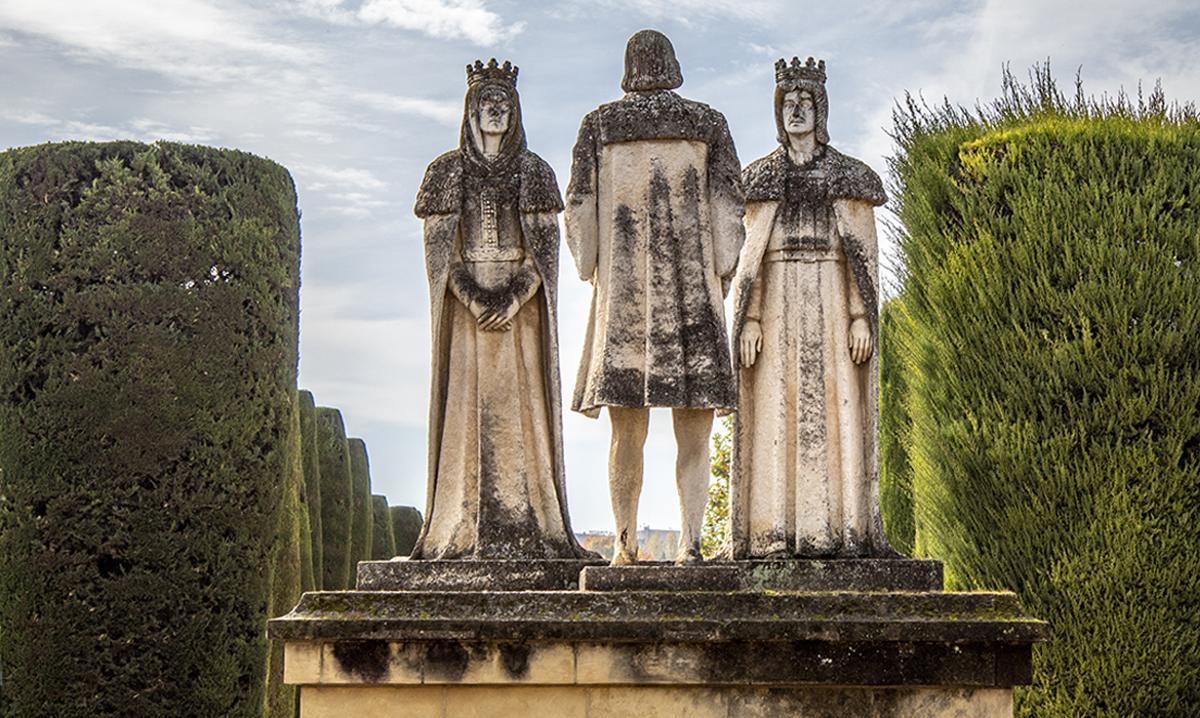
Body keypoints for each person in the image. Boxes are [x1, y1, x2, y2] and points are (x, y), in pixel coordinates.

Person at [565, 30, 745, 565]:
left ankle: (624, 546)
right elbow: (729, 207)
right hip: (691, 293)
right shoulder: (707, 123)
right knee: (695, 429)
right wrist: (721, 271)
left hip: (625, 297)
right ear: (672, 64)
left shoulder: (600, 125)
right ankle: (691, 543)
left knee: (627, 431)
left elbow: (579, 208)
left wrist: (591, 267)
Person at [410, 59, 593, 560]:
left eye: (503, 102)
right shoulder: (446, 173)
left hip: (520, 317)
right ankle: (457, 526)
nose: (495, 110)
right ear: (470, 110)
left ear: (515, 111)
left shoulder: (534, 173)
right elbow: (442, 260)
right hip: (466, 319)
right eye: (486, 102)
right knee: (463, 416)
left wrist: (511, 298)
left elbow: (544, 260)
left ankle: (535, 524)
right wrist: (474, 298)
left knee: (524, 416)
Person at [728, 57, 895, 558]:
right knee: (774, 414)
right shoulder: (760, 179)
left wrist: (860, 315)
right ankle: (771, 532)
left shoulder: (847, 177)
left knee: (836, 412)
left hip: (831, 301)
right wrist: (751, 316)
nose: (795, 111)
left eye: (804, 102)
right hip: (777, 302)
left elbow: (857, 257)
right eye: (787, 103)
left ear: (821, 110)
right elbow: (752, 256)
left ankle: (839, 530)